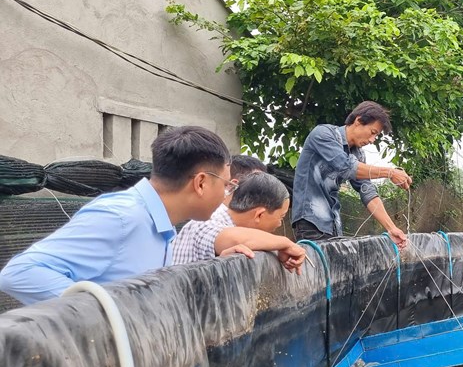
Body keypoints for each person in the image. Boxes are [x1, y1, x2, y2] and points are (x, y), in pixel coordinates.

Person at [0, 126, 232, 305]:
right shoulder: (122, 217)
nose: (225, 194)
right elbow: (19, 273)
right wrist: (107, 315)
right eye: (225, 185)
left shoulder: (161, 226)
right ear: (201, 182)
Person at [291, 101, 412, 248]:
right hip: (310, 222)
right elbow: (346, 167)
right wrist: (390, 172)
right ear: (358, 120)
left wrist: (391, 228)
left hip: (333, 224)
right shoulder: (323, 134)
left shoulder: (357, 153)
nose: (372, 140)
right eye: (373, 133)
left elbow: (367, 191)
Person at [172, 171, 306, 272]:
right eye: (281, 217)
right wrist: (285, 244)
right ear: (259, 214)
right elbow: (231, 237)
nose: (279, 224)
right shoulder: (207, 222)